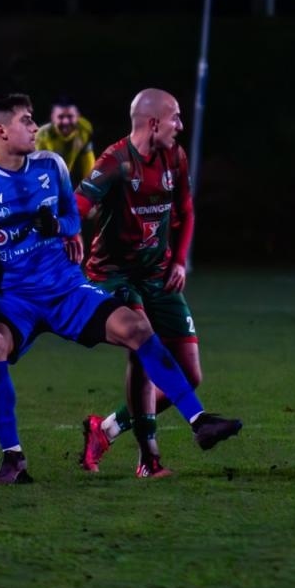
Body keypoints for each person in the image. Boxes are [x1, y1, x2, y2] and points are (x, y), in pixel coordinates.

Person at [0, 93, 241, 485]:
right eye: (26, 120)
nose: (36, 127)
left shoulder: (52, 165)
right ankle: (13, 459)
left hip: (67, 290)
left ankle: (199, 421)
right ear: (1, 131)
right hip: (17, 298)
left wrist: (60, 227)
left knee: (138, 329)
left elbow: (73, 218)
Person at [75, 89, 207, 478]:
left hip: (157, 273)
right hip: (113, 274)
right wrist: (68, 227)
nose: (180, 125)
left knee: (190, 376)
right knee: (143, 345)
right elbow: (79, 203)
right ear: (153, 123)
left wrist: (179, 260)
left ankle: (106, 430)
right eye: (175, 117)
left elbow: (186, 210)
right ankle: (149, 460)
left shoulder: (174, 157)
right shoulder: (115, 162)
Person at [35, 97, 97, 187]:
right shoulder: (41, 137)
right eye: (60, 117)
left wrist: (90, 188)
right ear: (52, 117)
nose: (65, 122)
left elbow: (89, 163)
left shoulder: (84, 129)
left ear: (78, 116)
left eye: (70, 116)